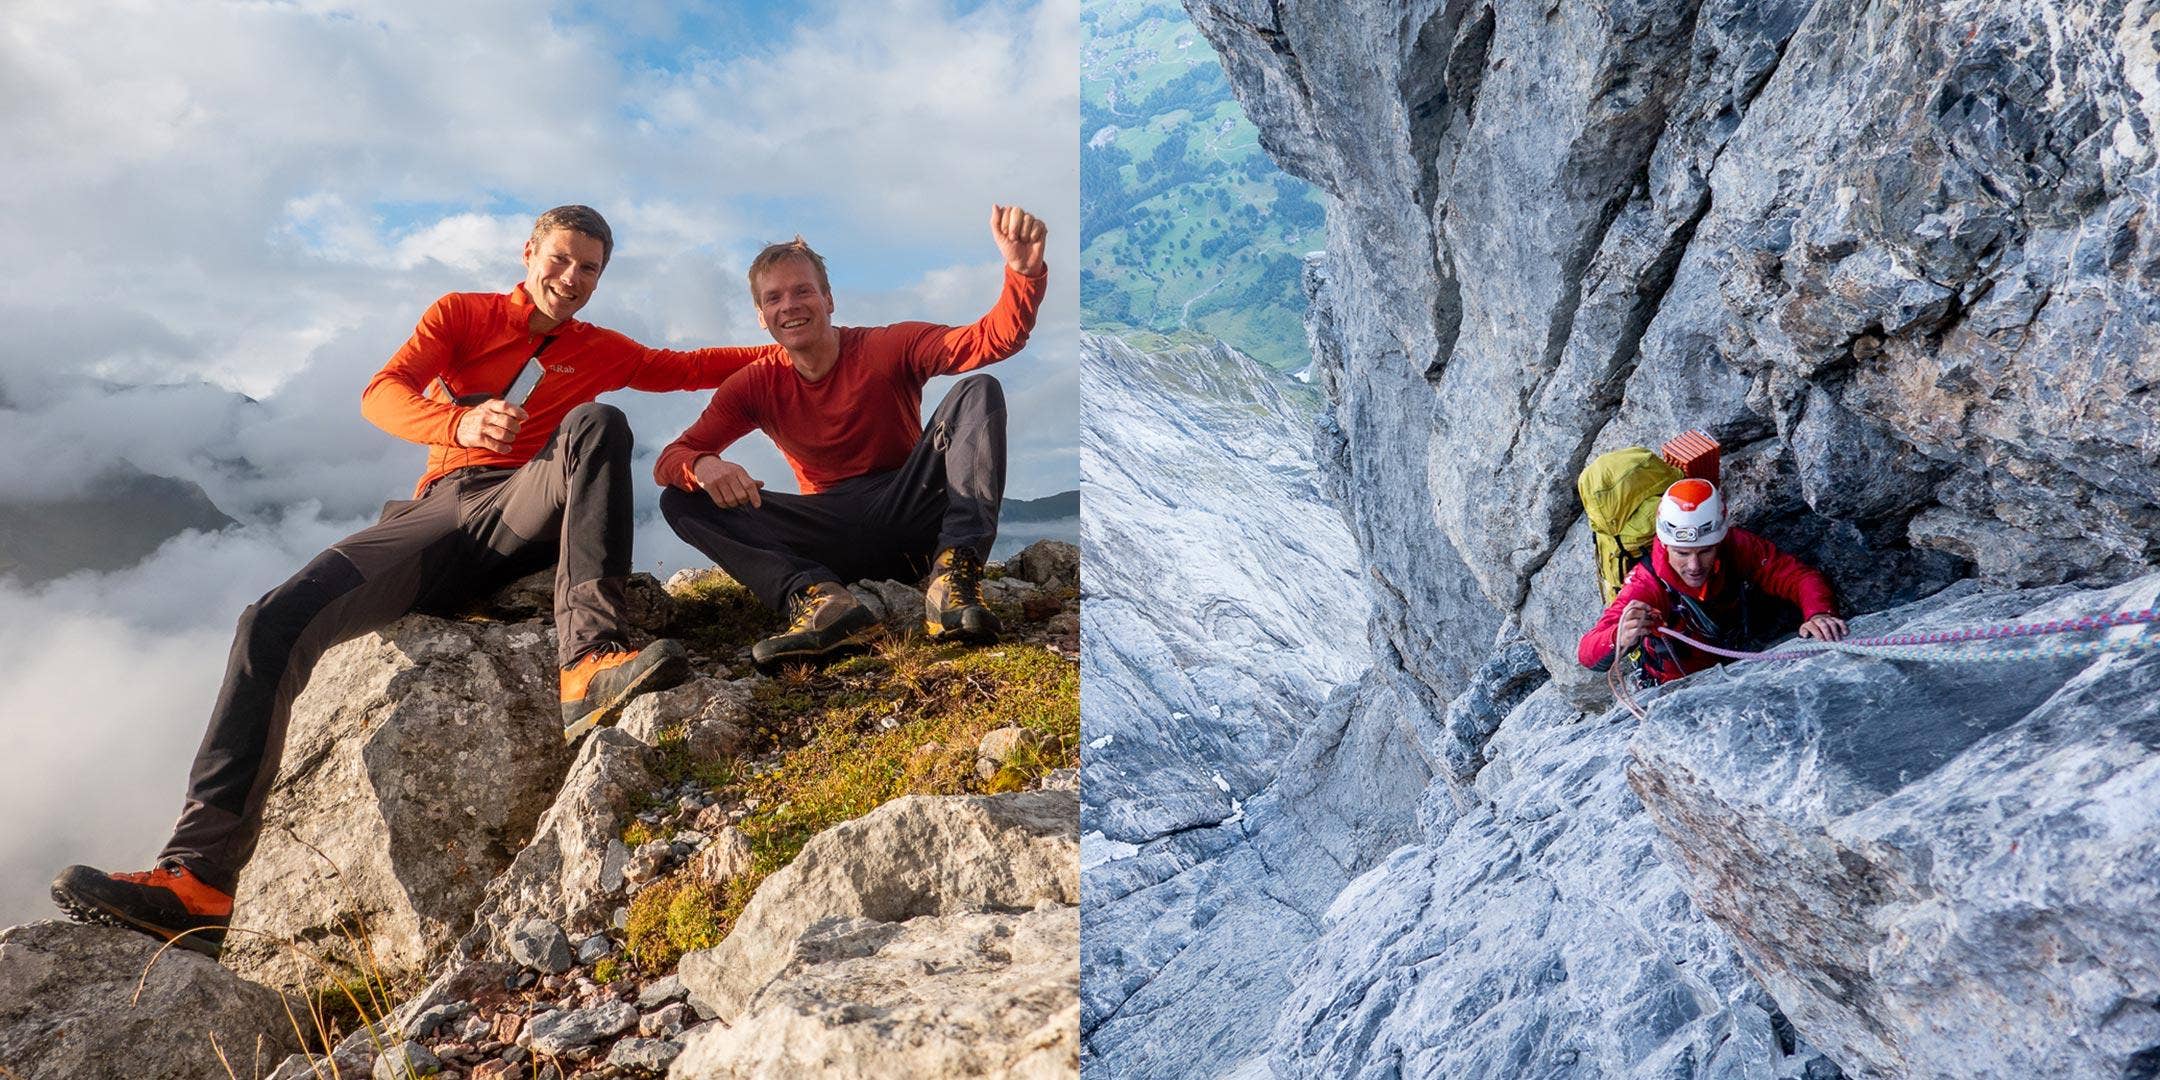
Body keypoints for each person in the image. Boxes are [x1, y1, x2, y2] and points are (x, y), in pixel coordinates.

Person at [51, 205, 766, 957]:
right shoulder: (463, 314)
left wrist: (804, 338)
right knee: (270, 623)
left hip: (525, 511)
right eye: (560, 259)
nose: (571, 279)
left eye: (589, 268)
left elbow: (694, 368)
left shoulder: (601, 349)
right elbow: (382, 391)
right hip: (445, 510)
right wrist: (455, 426)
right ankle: (196, 883)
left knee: (600, 423)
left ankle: (589, 658)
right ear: (528, 253)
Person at [657, 205, 1049, 670]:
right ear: (762, 316)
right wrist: (703, 464)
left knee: (977, 390)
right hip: (827, 529)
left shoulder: (884, 348)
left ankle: (953, 578)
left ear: (829, 298)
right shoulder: (755, 382)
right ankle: (821, 602)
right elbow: (672, 457)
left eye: (803, 291)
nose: (790, 306)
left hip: (909, 508)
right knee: (680, 500)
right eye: (774, 298)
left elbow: (987, 341)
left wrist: (1023, 274)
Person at [1578, 478, 1848, 684]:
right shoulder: (1647, 584)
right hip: (1677, 685)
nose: (1694, 566)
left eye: (1705, 551)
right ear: (1665, 544)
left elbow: (1796, 576)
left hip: (1737, 659)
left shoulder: (1736, 546)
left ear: (1718, 540)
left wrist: (1819, 612)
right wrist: (1620, 636)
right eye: (1682, 553)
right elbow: (1587, 654)